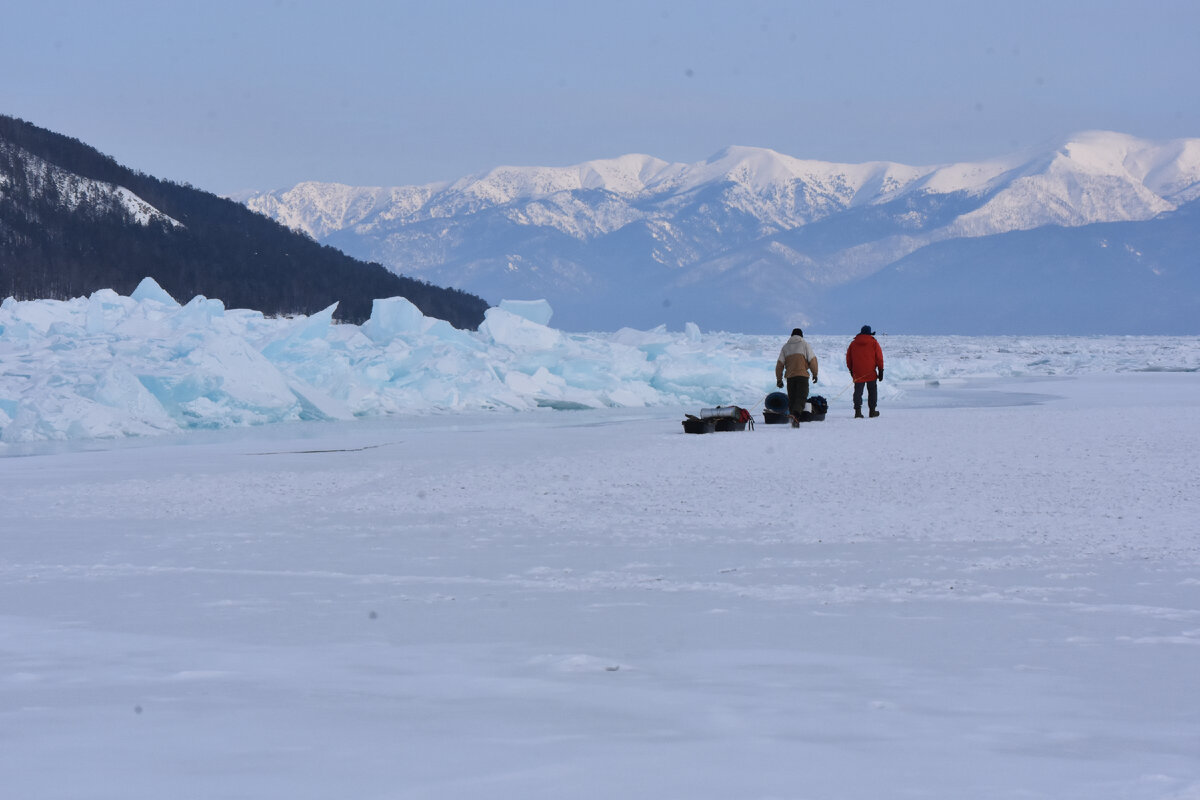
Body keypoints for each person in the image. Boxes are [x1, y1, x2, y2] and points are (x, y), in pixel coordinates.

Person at [775, 328, 819, 426]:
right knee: (801, 396)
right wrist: (815, 374)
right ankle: (795, 415)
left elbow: (779, 365)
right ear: (801, 336)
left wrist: (779, 379)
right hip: (802, 376)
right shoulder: (805, 345)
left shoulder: (785, 347)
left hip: (790, 377)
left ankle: (793, 418)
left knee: (792, 398)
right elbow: (812, 360)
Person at [846, 325, 884, 418]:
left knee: (858, 392)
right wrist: (881, 370)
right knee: (872, 391)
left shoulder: (853, 343)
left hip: (858, 371)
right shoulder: (874, 342)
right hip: (870, 371)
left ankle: (857, 412)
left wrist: (851, 369)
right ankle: (872, 411)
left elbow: (848, 358)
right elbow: (879, 357)